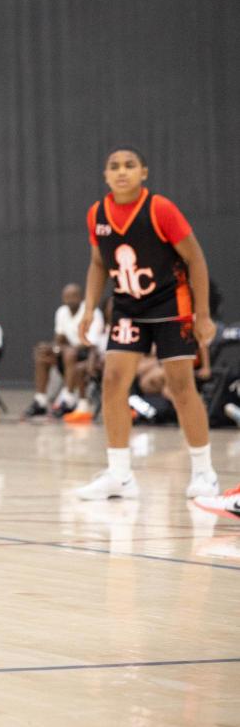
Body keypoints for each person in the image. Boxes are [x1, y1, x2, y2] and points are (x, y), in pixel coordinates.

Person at [74, 147, 221, 501]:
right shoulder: (97, 214)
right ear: (106, 176)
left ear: (144, 172)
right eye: (114, 166)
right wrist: (89, 308)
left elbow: (196, 258)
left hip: (171, 305)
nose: (121, 171)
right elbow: (98, 263)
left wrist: (202, 314)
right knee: (112, 381)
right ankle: (120, 476)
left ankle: (204, 472)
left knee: (181, 386)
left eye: (129, 165)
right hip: (128, 306)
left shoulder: (160, 208)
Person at [28, 284, 102, 418]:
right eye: (67, 297)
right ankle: (40, 400)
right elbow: (59, 338)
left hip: (90, 355)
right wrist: (51, 347)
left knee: (69, 353)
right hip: (67, 352)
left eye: (73, 296)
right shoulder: (61, 312)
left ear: (81, 297)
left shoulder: (92, 312)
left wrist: (64, 348)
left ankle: (68, 399)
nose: (70, 300)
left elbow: (91, 343)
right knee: (42, 353)